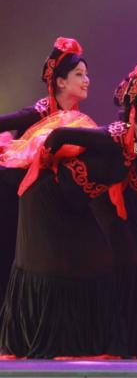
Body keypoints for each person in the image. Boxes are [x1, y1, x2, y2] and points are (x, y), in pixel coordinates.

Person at [0, 65, 137, 358]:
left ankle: (86, 342)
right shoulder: (116, 133)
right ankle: (46, 340)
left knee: (101, 261)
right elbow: (58, 136)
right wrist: (46, 166)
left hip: (76, 200)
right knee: (59, 266)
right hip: (48, 198)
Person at [0, 37, 87, 301]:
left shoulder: (77, 120)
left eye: (86, 74)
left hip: (42, 206)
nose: (87, 80)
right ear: (60, 82)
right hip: (12, 200)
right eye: (79, 74)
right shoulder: (40, 112)